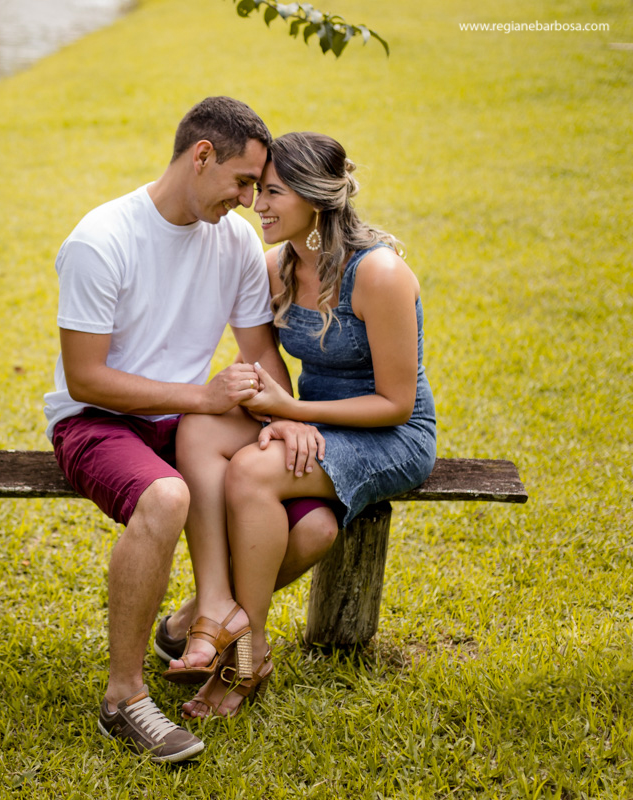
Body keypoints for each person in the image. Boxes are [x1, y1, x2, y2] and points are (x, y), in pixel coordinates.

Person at [44, 98, 338, 763]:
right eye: (241, 182)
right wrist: (201, 397)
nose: (248, 202)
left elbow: (258, 350)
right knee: (167, 497)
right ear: (200, 156)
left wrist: (285, 415)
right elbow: (86, 376)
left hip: (189, 416)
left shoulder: (232, 240)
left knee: (313, 524)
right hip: (99, 419)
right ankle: (125, 699)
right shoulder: (102, 239)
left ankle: (189, 624)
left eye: (257, 188)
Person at [165, 131, 437, 720]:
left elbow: (395, 402)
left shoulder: (379, 274)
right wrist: (280, 414)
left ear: (315, 199)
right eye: (256, 190)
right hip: (310, 418)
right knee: (203, 429)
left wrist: (293, 415)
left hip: (389, 434)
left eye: (272, 192)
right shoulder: (275, 267)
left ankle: (248, 650)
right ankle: (212, 603)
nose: (256, 204)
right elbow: (263, 368)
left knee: (255, 472)